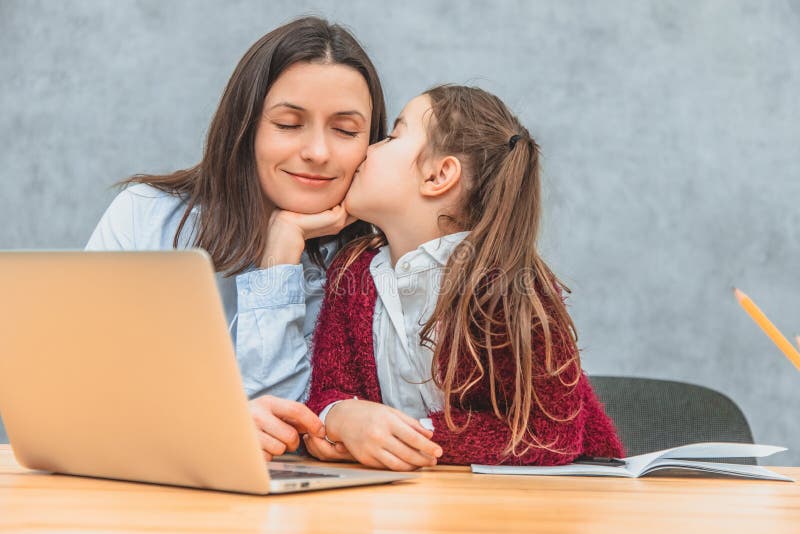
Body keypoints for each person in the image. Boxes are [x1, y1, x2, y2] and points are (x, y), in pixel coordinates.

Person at [85, 17, 387, 460]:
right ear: (245, 127)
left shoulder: (373, 265)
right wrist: (204, 427)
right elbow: (82, 392)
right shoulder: (146, 214)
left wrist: (280, 261)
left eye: (344, 131)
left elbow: (289, 435)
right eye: (288, 124)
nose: (318, 152)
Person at [304, 85, 624, 470]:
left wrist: (409, 436)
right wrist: (337, 417)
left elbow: (550, 433)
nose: (368, 149)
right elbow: (329, 390)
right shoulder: (352, 271)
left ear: (439, 175)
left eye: (392, 136)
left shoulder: (511, 285)